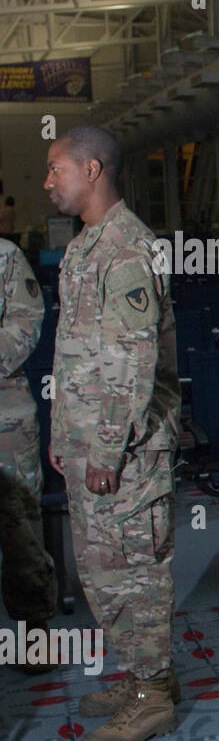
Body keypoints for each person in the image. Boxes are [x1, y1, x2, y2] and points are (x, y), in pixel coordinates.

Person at [44, 125, 182, 741]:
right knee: (102, 572)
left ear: (92, 170)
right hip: (88, 443)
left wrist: (103, 451)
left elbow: (131, 361)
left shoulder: (129, 250)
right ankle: (137, 677)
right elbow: (72, 356)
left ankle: (153, 696)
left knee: (136, 571)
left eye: (56, 169)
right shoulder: (85, 247)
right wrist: (60, 433)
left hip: (126, 450)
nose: (48, 182)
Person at [0, 236, 59, 672]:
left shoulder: (5, 257)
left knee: (19, 525)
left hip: (6, 418)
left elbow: (25, 324)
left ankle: (34, 630)